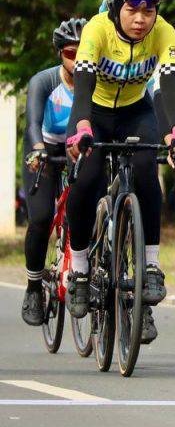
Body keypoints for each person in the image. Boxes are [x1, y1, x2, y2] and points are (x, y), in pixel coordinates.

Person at [64, 0, 175, 344]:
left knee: (145, 175)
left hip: (136, 111)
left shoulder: (164, 33)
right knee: (86, 180)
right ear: (116, 4)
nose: (141, 18)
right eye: (132, 8)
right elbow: (83, 88)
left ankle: (151, 266)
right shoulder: (97, 29)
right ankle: (80, 270)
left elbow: (169, 88)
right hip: (97, 111)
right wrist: (82, 129)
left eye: (149, 9)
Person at [20, 17, 86, 326]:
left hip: (79, 149)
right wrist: (37, 149)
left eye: (84, 52)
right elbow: (32, 123)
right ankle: (34, 286)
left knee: (86, 210)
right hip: (44, 147)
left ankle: (83, 272)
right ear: (60, 54)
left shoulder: (97, 84)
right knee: (42, 217)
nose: (78, 59)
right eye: (72, 53)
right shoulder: (44, 82)